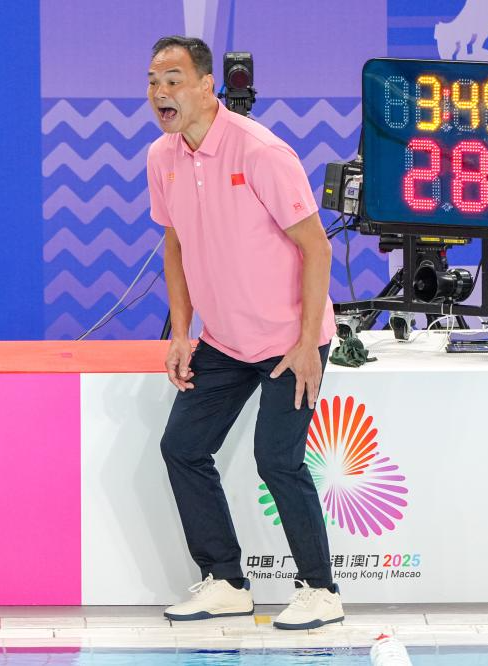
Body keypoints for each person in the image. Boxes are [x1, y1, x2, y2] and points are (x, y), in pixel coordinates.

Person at [145, 35, 344, 630]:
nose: (160, 93)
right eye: (154, 81)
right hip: (224, 341)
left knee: (276, 460)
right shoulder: (161, 157)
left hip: (289, 339)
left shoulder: (260, 151)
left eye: (174, 80)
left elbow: (316, 248)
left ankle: (321, 590)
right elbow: (174, 246)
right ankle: (226, 581)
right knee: (182, 447)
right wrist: (182, 333)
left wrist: (307, 343)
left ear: (208, 86)